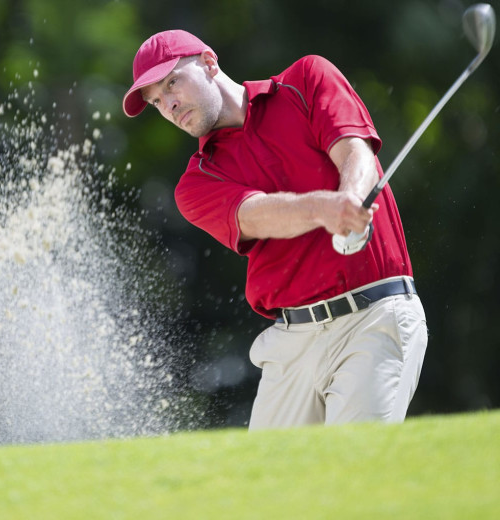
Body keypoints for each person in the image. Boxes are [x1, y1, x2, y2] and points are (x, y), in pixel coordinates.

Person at [123, 30, 428, 430]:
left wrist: (351, 200)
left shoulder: (306, 79)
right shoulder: (196, 182)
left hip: (374, 319)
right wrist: (325, 208)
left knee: (355, 474)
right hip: (291, 342)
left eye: (172, 83)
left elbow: (356, 151)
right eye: (156, 101)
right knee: (269, 488)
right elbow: (254, 215)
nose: (169, 104)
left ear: (210, 63)